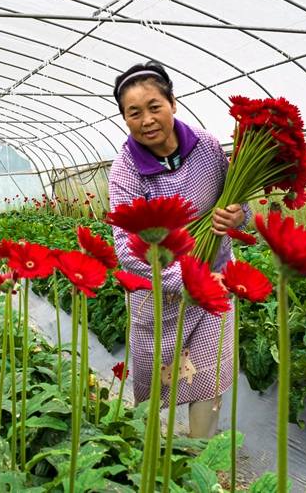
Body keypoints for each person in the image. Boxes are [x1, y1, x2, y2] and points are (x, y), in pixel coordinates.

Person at [108, 61, 249, 439]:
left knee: (210, 374)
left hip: (213, 290)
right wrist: (186, 279)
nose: (147, 120)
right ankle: (148, 455)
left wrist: (238, 216)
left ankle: (200, 458)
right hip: (159, 297)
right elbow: (127, 249)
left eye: (154, 106)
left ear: (173, 102)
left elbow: (237, 203)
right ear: (124, 119)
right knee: (153, 384)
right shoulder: (125, 170)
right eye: (133, 113)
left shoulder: (206, 148)